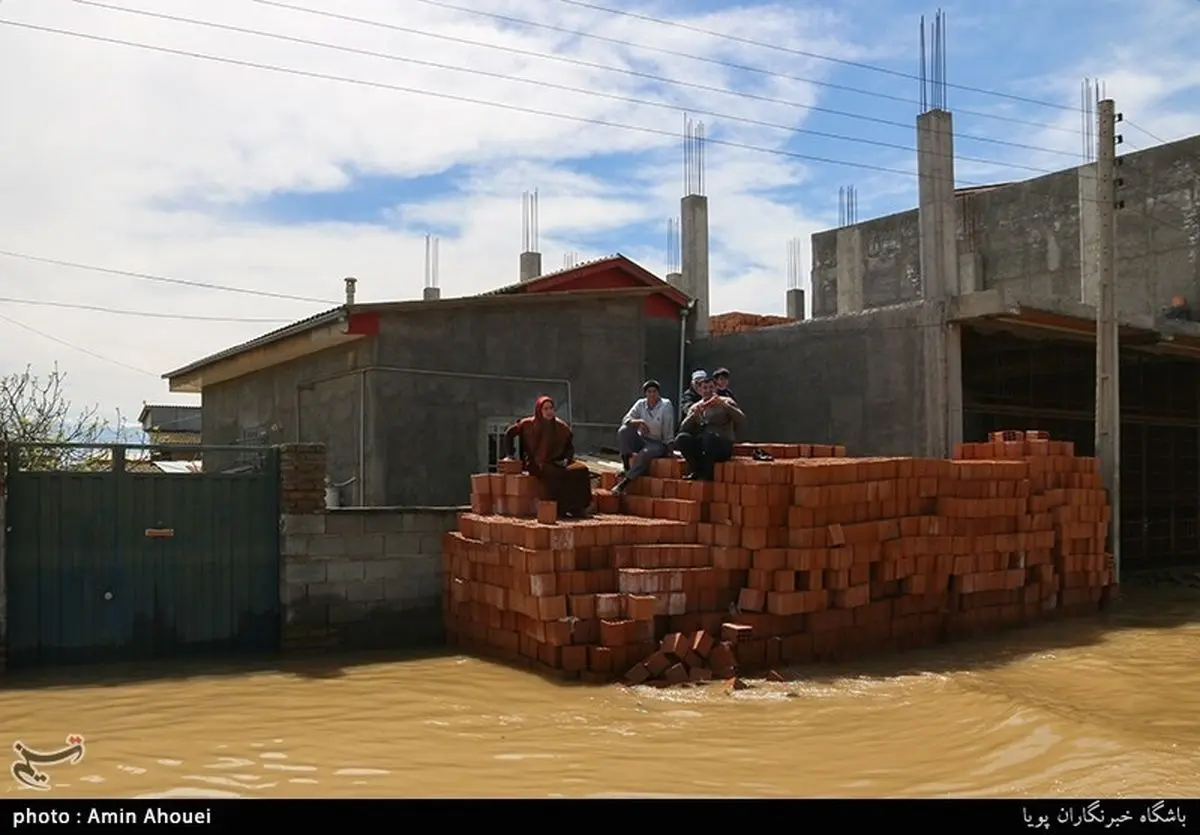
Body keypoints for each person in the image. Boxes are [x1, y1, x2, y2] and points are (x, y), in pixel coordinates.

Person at [502, 396, 592, 518]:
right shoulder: (528, 424)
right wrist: (510, 454)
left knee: (581, 470)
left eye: (551, 408)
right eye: (545, 409)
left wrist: (566, 460)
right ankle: (559, 508)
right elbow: (509, 433)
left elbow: (569, 447)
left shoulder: (560, 426)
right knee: (554, 473)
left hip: (558, 461)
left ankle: (578, 507)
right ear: (539, 410)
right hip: (537, 463)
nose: (549, 411)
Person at [675, 375, 745, 481]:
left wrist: (725, 407)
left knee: (709, 438)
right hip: (703, 445)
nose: (708, 391)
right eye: (705, 388)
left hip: (722, 445)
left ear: (716, 388)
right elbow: (683, 428)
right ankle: (696, 470)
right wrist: (692, 417)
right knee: (682, 438)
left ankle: (706, 474)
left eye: (711, 387)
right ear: (699, 390)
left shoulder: (726, 401)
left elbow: (741, 419)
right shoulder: (696, 407)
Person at [613, 380, 676, 494]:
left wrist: (669, 447)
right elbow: (626, 419)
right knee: (623, 430)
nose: (652, 394)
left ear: (658, 393)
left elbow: (668, 427)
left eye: (654, 391)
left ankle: (625, 482)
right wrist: (639, 422)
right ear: (645, 393)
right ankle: (626, 466)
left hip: (657, 443)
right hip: (642, 439)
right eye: (649, 392)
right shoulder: (640, 404)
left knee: (645, 453)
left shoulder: (666, 405)